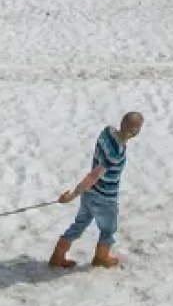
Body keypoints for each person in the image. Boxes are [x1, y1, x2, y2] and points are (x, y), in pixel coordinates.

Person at [49, 111, 144, 269]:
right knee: (108, 229)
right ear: (136, 132)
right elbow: (94, 176)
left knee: (79, 224)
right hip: (105, 199)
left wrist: (78, 193)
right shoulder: (116, 153)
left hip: (89, 195)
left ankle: (57, 256)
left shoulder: (106, 132)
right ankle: (101, 257)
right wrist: (72, 195)